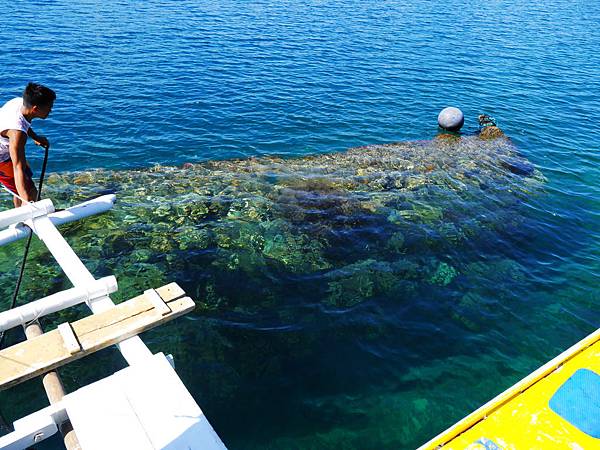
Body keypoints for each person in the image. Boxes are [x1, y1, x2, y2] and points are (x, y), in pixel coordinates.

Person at [0, 82, 55, 207]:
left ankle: (21, 210)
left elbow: (23, 122)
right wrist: (29, 203)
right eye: (49, 107)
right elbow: (17, 167)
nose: (51, 110)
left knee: (25, 183)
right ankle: (28, 217)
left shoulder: (20, 103)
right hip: (2, 159)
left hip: (6, 149)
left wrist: (35, 137)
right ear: (35, 109)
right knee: (29, 192)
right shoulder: (17, 134)